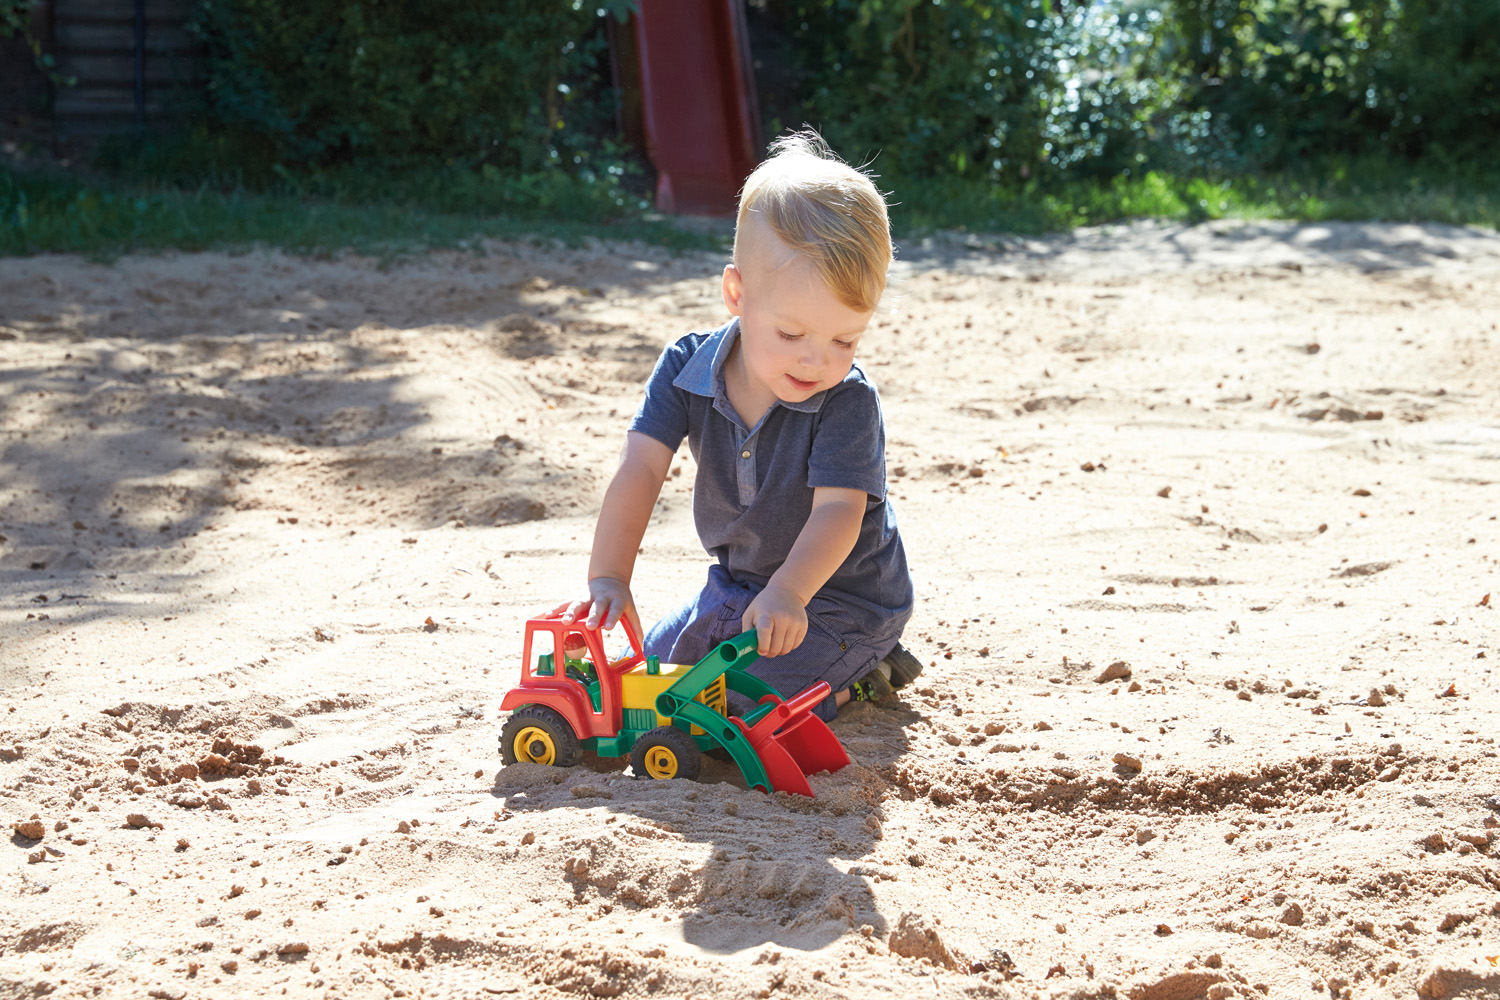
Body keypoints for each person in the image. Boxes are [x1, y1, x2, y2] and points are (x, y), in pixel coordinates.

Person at [556, 129, 920, 720]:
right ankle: (804, 656)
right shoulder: (686, 367)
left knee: (741, 706)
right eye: (792, 333)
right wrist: (609, 576)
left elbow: (839, 511)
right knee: (651, 678)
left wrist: (789, 592)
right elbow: (641, 468)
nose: (817, 360)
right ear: (736, 293)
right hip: (740, 588)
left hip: (842, 602)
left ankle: (864, 673)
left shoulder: (846, 400)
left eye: (845, 339)